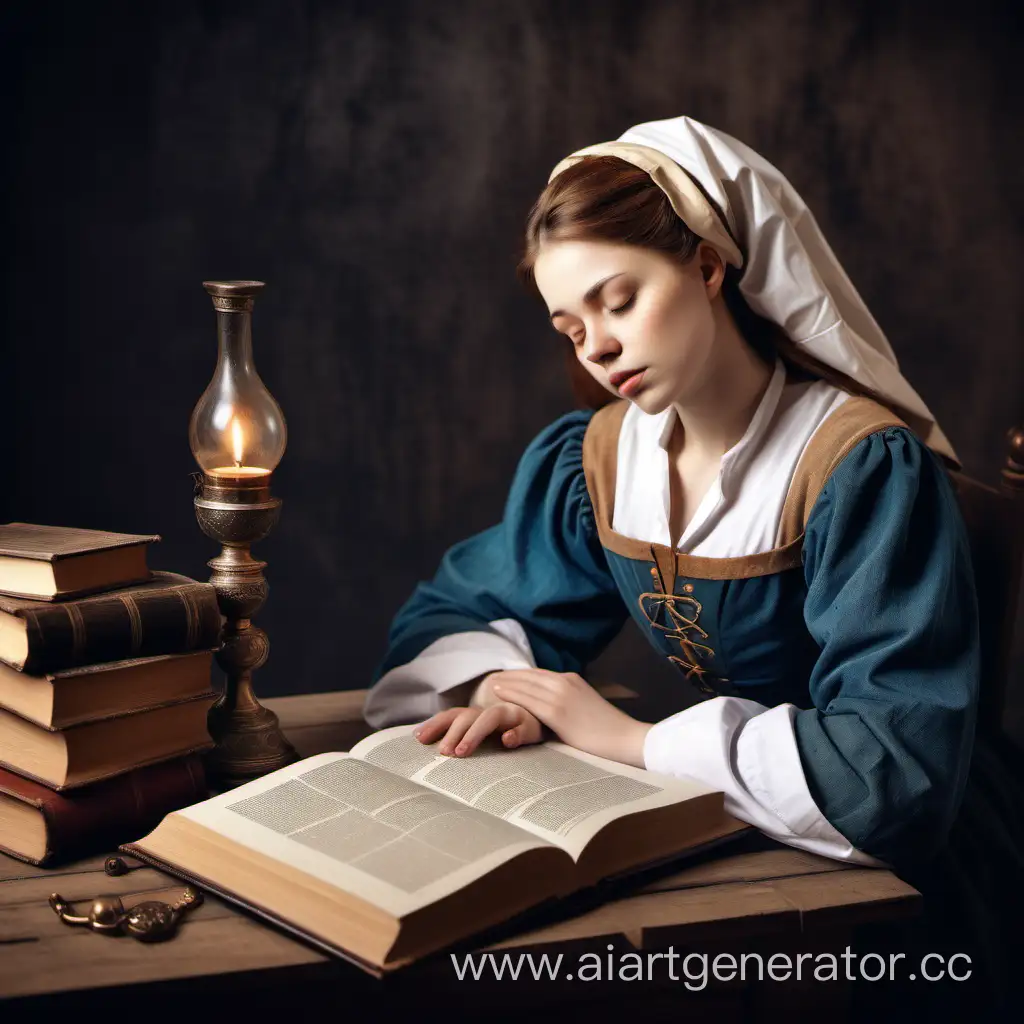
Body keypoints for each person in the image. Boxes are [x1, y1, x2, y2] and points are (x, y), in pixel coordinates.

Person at [363, 116, 1023, 1017]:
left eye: (617, 299)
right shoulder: (598, 460)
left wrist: (633, 743)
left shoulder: (858, 466)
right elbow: (454, 615)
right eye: (568, 325)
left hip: (908, 878)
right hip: (736, 836)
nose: (593, 347)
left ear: (710, 264)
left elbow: (895, 772)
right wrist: (493, 692)